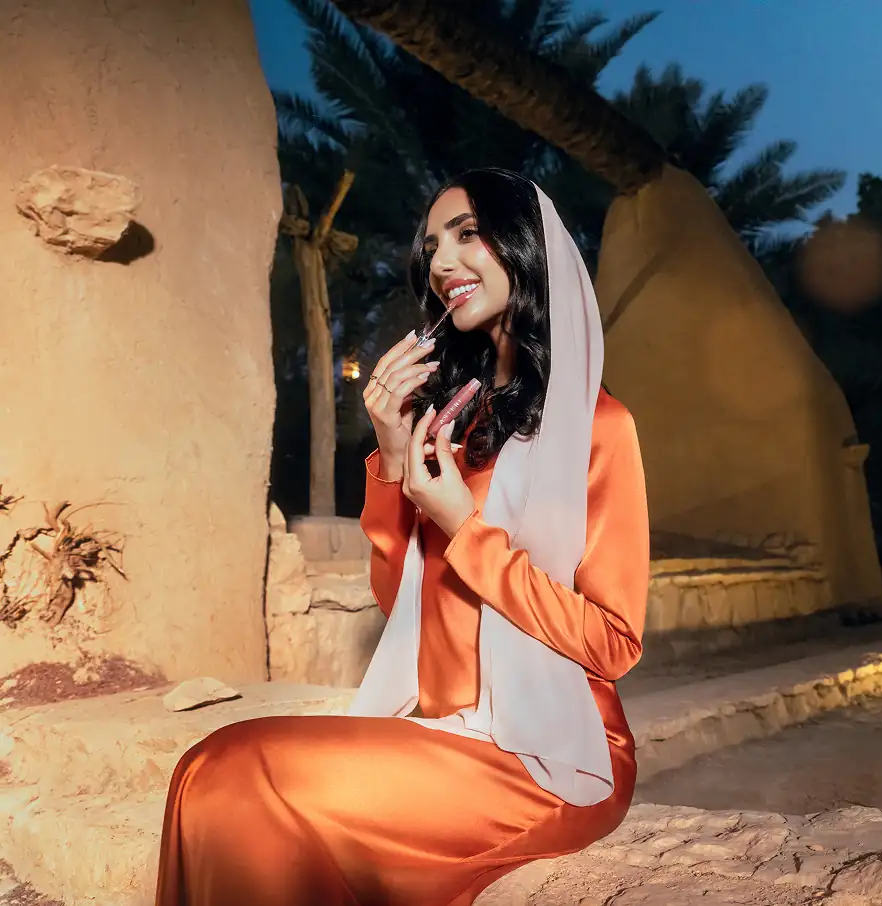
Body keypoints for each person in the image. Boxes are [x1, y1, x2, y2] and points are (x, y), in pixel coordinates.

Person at [153, 168, 650, 906]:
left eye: (466, 234)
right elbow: (400, 600)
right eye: (431, 247)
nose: (441, 262)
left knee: (237, 778)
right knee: (205, 765)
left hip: (552, 754)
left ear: (526, 246)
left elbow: (614, 642)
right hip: (447, 729)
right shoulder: (455, 420)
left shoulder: (600, 428)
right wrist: (390, 456)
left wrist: (464, 529)